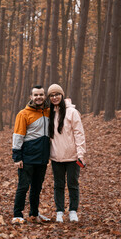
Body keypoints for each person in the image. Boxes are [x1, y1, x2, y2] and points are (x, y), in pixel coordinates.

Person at [11, 85, 51, 224]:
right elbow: (18, 135)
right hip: (27, 157)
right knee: (23, 186)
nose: (38, 97)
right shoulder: (23, 114)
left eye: (41, 94)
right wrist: (17, 157)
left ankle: (34, 213)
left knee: (37, 188)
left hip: (42, 158)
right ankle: (17, 215)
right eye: (36, 95)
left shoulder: (48, 112)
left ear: (44, 96)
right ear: (31, 97)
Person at [47, 84, 86, 223]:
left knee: (72, 184)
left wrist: (81, 154)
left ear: (62, 95)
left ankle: (73, 211)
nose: (54, 97)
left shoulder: (72, 112)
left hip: (72, 156)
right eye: (51, 95)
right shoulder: (49, 112)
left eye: (57, 94)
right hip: (56, 156)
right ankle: (59, 211)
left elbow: (79, 134)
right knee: (58, 185)